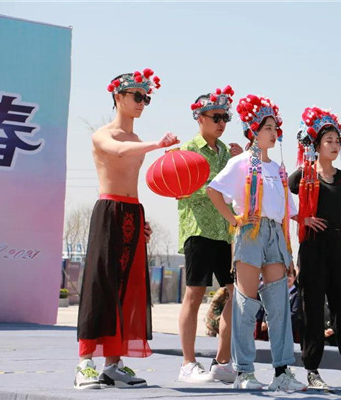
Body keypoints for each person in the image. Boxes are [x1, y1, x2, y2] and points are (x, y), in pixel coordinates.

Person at [75, 69, 179, 389]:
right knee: (100, 285)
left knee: (127, 288)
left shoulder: (136, 140)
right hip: (108, 211)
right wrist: (157, 144)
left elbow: (133, 163)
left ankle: (113, 365)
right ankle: (85, 363)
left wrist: (139, 220)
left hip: (133, 212)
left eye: (146, 98)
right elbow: (118, 151)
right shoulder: (103, 135)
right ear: (118, 96)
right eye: (137, 96)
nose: (141, 103)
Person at [207, 94, 306, 391]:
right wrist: (234, 219)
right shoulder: (239, 163)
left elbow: (289, 209)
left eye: (275, 128)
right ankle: (244, 371)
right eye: (268, 128)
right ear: (254, 131)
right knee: (246, 303)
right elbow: (214, 191)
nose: (274, 133)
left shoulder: (278, 169)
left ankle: (282, 371)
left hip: (275, 233)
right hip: (250, 231)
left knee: (278, 304)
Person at [289, 106, 341, 391]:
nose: (335, 146)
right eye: (328, 141)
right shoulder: (305, 175)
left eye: (337, 141)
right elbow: (280, 198)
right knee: (312, 308)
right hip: (313, 247)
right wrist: (303, 218)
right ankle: (312, 369)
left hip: (340, 248)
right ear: (317, 145)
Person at [177, 85, 241, 384]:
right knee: (194, 294)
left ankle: (222, 361)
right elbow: (182, 190)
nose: (221, 122)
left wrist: (241, 161)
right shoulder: (187, 151)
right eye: (216, 117)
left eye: (225, 117)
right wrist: (217, 191)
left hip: (225, 234)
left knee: (236, 293)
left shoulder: (227, 152)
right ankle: (188, 363)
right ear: (199, 117)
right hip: (199, 230)